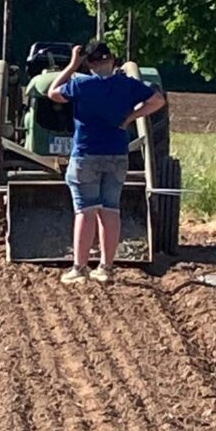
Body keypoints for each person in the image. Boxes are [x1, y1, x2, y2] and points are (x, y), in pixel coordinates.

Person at [49, 41, 166, 284]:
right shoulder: (127, 84)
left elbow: (52, 92)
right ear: (112, 60)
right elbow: (158, 101)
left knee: (85, 211)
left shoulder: (80, 84)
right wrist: (130, 118)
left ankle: (79, 269)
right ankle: (105, 267)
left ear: (89, 63)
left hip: (86, 156)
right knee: (110, 210)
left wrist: (72, 65)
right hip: (117, 155)